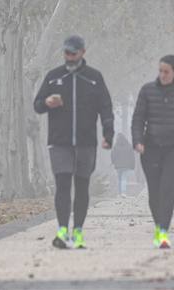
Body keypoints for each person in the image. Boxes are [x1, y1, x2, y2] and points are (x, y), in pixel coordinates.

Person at [33, 35, 114, 249]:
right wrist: (47, 102)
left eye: (73, 53)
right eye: (66, 53)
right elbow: (37, 105)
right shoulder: (53, 77)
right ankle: (62, 232)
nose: (69, 57)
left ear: (82, 52)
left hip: (87, 143)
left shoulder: (94, 78)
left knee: (82, 186)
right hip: (59, 142)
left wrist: (108, 133)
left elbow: (106, 108)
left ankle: (78, 231)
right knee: (62, 185)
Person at [131, 54, 174, 249]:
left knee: (166, 188)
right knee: (154, 192)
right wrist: (137, 141)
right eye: (160, 71)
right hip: (151, 148)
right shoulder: (147, 90)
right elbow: (138, 118)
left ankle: (163, 233)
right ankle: (158, 226)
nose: (162, 75)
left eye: (166, 72)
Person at [111, 116, 136, 195]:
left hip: (118, 165)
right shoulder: (128, 146)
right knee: (124, 178)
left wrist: (113, 162)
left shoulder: (116, 146)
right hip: (126, 165)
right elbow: (132, 156)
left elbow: (113, 155)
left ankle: (120, 192)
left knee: (119, 178)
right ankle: (123, 192)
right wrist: (132, 165)